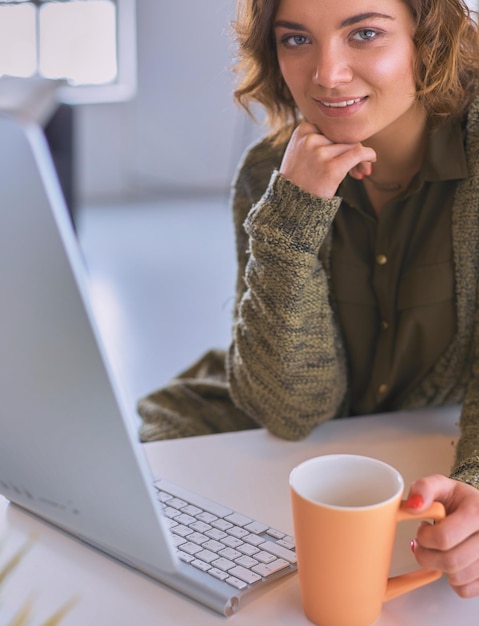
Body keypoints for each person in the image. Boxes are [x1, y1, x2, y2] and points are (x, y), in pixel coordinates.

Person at [138, 0, 479, 598]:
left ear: (430, 38)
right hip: (287, 422)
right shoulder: (270, 173)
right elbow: (294, 410)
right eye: (296, 40)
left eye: (365, 34)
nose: (326, 73)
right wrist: (292, 218)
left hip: (428, 441)